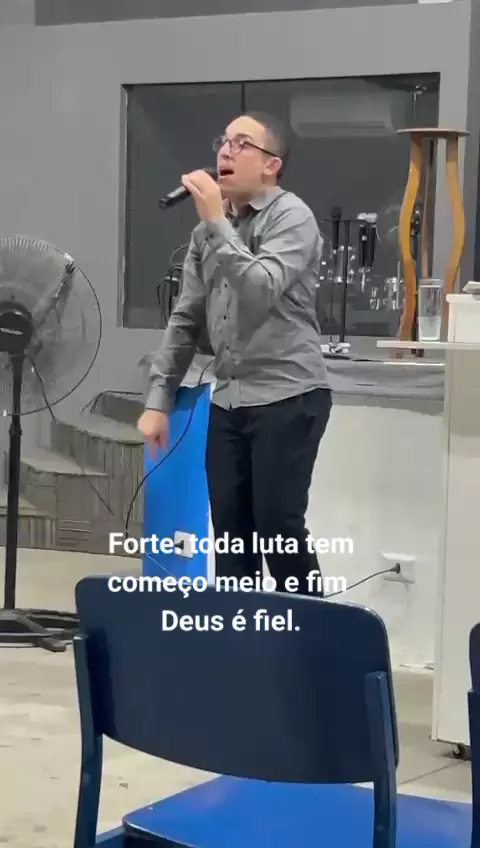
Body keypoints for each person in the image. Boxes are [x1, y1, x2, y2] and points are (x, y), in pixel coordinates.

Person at [137, 111, 332, 596]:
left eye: (242, 143)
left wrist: (215, 222)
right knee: (229, 535)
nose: (226, 151)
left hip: (289, 395)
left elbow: (261, 287)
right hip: (228, 400)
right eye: (223, 141)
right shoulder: (205, 235)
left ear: (271, 164)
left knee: (278, 527)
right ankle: (237, 634)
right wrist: (158, 400)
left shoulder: (292, 217)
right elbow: (186, 318)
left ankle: (309, 635)